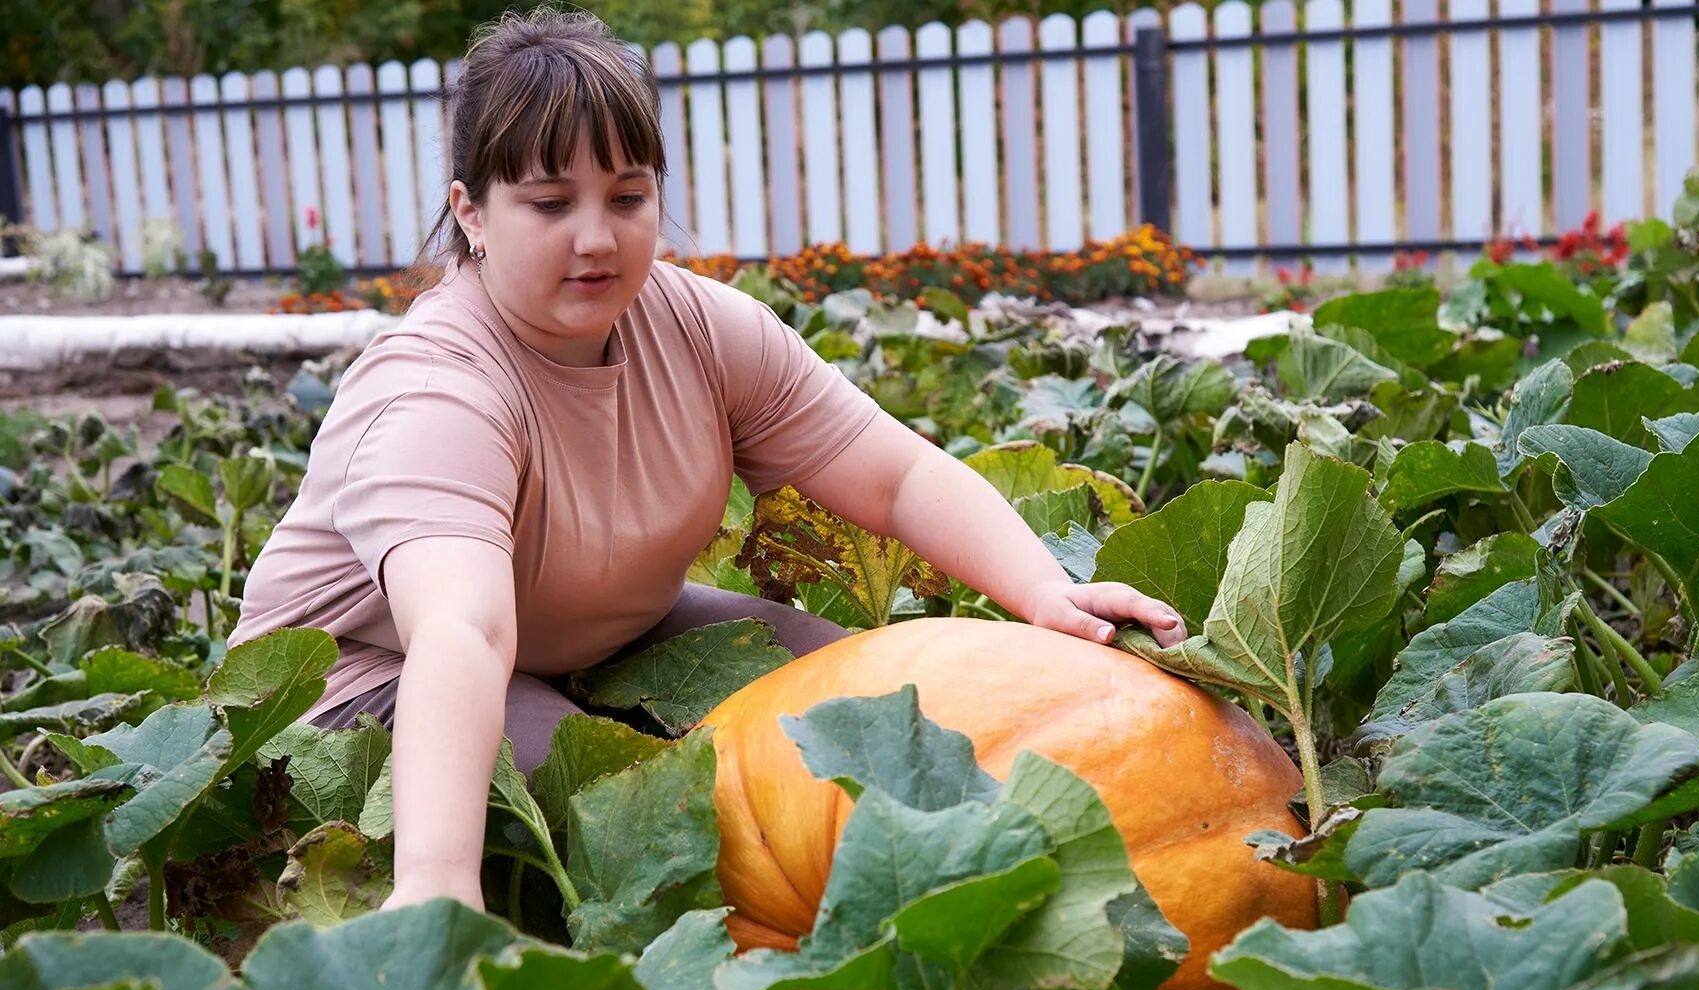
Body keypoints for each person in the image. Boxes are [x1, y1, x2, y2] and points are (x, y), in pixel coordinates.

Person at [229, 6, 1188, 913]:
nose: (597, 237)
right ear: (472, 212)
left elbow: (892, 472)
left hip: (596, 637)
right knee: (667, 808)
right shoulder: (437, 389)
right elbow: (465, 635)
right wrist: (437, 885)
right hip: (370, 680)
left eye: (627, 197)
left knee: (881, 695)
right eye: (551, 202)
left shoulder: (696, 326)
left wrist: (1045, 594)